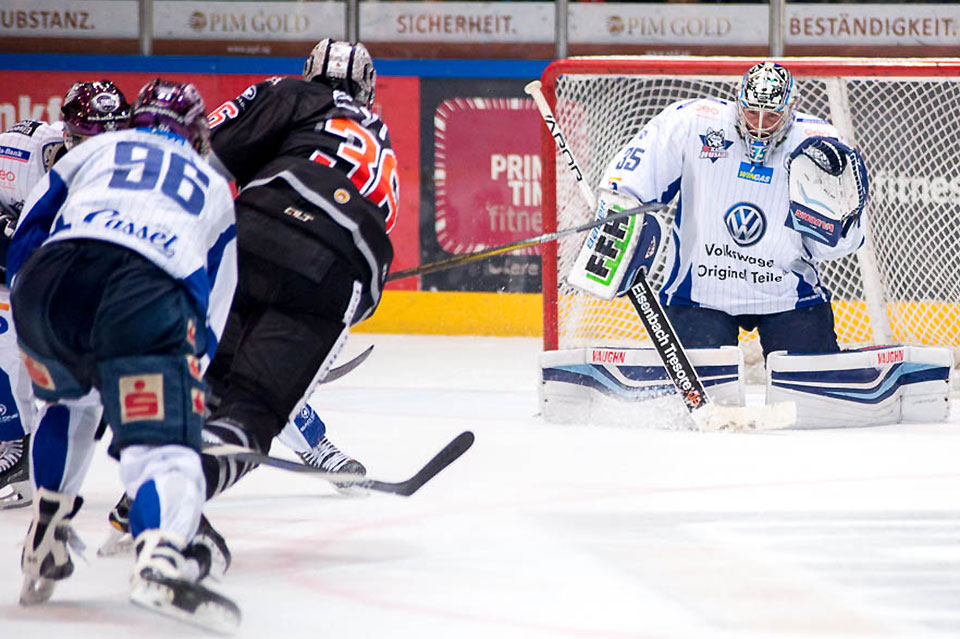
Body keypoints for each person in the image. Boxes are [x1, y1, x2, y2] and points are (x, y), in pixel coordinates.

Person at [7, 79, 240, 632]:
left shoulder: (91, 149)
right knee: (164, 450)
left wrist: (32, 305)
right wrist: (181, 386)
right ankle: (160, 559)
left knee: (71, 404)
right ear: (194, 131)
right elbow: (215, 303)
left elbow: (29, 231)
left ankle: (47, 530)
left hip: (48, 289)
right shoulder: (211, 183)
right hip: (145, 291)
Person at [194, 38, 397, 500]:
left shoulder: (290, 93)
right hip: (342, 272)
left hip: (255, 234)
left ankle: (154, 488)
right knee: (255, 404)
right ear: (368, 86)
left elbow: (203, 151)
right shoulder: (377, 135)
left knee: (208, 378)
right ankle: (219, 461)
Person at [589, 61, 867, 358]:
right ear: (738, 101)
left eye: (771, 115)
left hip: (787, 293)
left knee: (812, 394)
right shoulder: (693, 122)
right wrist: (615, 215)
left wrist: (843, 219)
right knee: (702, 393)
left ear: (790, 110)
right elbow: (630, 182)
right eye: (752, 112)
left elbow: (832, 246)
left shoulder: (819, 144)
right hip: (700, 293)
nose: (759, 125)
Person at [0, 80, 129, 509]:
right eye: (87, 140)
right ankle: (15, 444)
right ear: (67, 132)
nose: (99, 152)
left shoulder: (136, 175)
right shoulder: (24, 151)